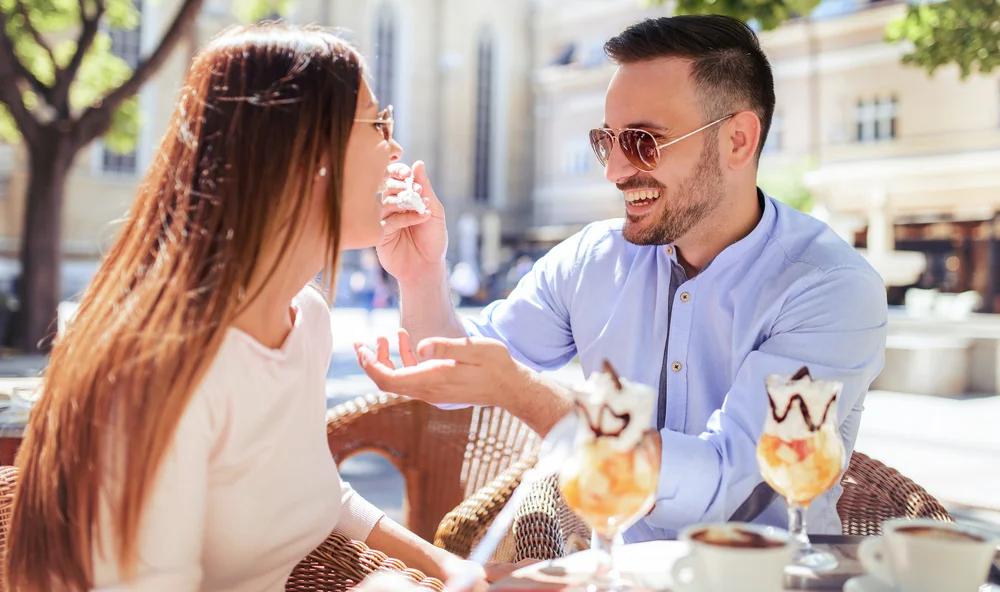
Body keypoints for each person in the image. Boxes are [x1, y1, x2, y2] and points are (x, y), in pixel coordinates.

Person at [4, 24, 502, 592]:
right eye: (377, 122)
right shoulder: (164, 370)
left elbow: (307, 489)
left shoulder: (304, 320)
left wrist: (441, 565)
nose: (395, 147)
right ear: (304, 156)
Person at [358, 15, 888, 541]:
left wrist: (525, 394)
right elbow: (458, 376)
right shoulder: (591, 258)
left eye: (641, 141)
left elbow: (726, 482)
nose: (613, 170)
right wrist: (422, 272)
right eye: (605, 141)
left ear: (737, 140)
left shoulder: (829, 287)